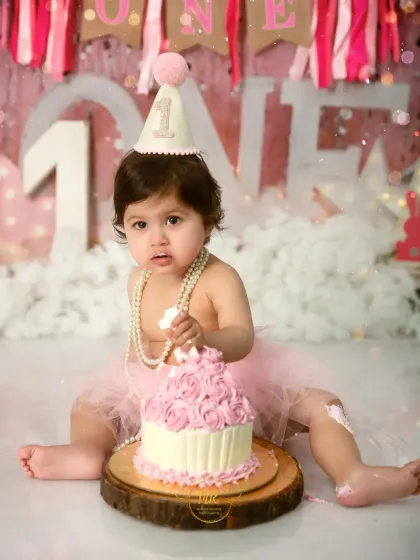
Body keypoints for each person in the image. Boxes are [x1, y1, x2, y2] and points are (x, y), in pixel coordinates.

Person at [18, 53, 420, 507]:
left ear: (207, 222)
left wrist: (206, 338)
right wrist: (131, 386)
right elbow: (137, 344)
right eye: (139, 225)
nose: (157, 238)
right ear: (123, 228)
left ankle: (353, 473)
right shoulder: (138, 280)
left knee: (323, 405)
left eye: (173, 219)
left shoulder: (217, 277)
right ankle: (86, 454)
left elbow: (242, 337)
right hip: (156, 389)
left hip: (229, 384)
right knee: (90, 405)